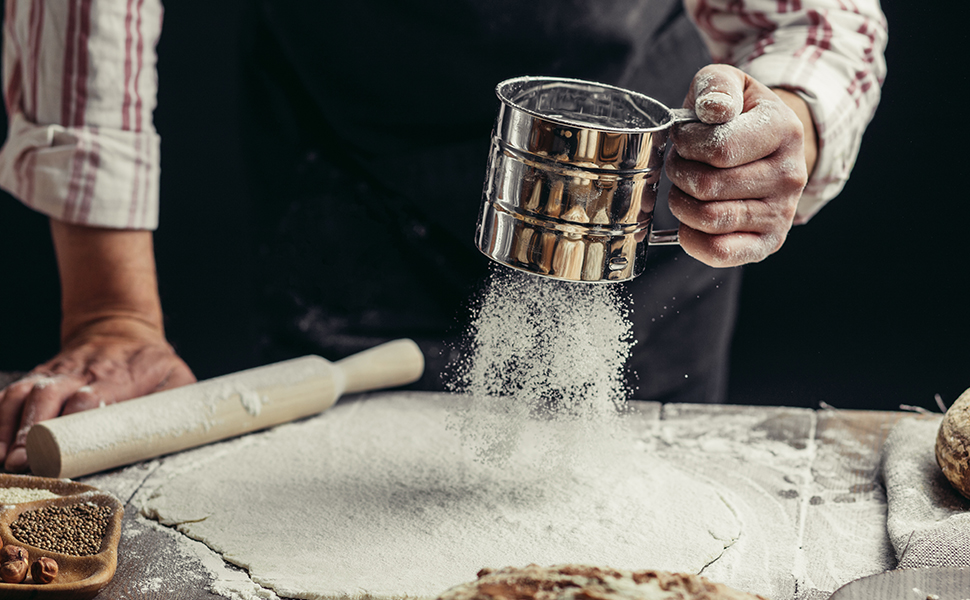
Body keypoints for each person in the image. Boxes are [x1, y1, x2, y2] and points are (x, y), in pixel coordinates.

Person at [0, 0, 886, 472]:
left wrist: (790, 123)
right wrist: (113, 314)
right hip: (353, 159)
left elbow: (818, 15)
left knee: (625, 525)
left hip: (635, 194)